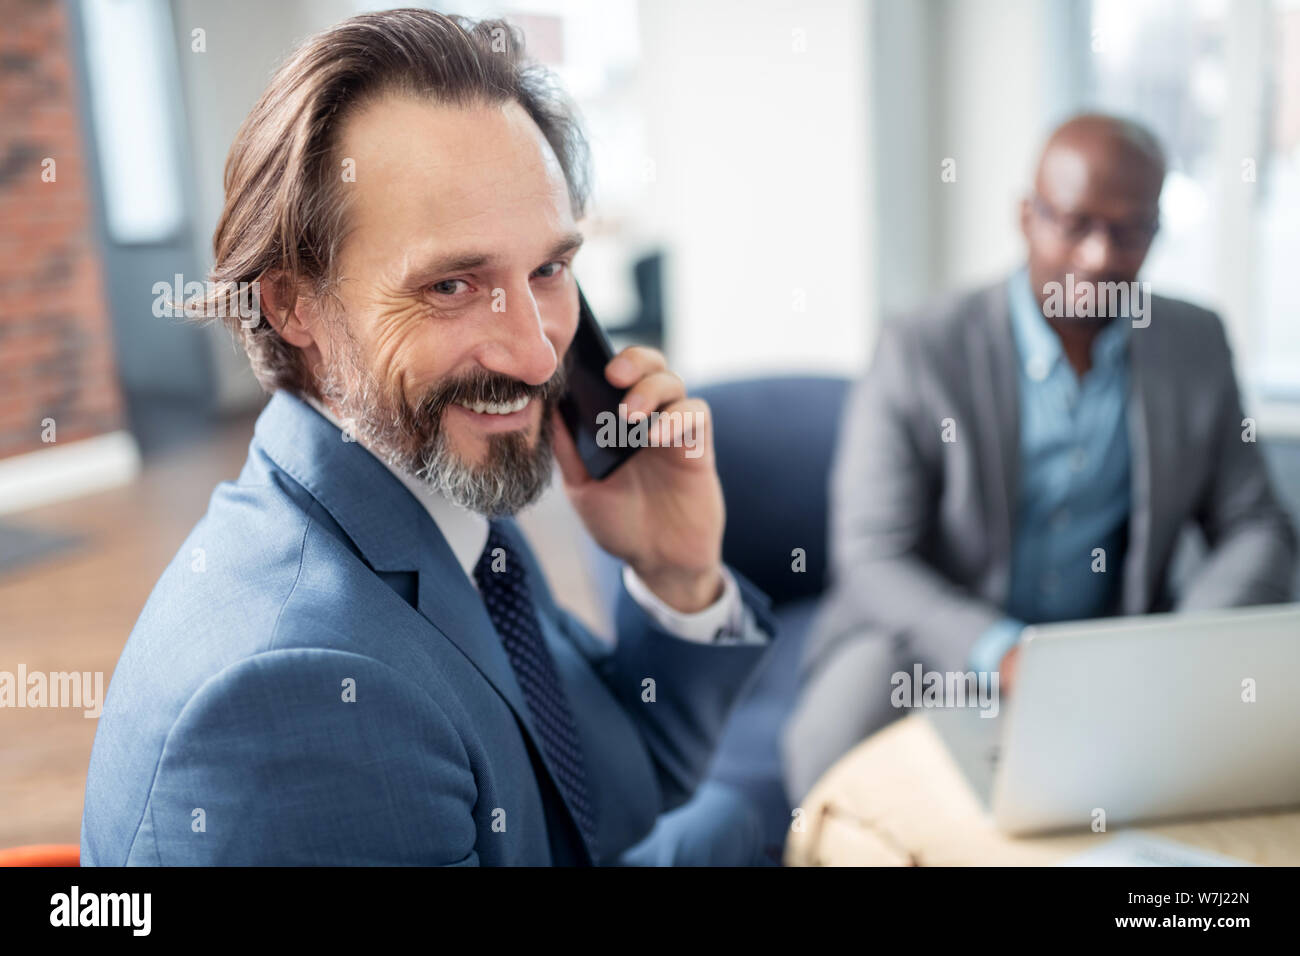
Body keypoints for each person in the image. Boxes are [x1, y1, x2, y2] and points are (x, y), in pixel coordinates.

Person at [81, 10, 774, 866]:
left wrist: (676, 573)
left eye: (549, 270)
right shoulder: (295, 699)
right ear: (294, 304)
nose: (534, 353)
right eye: (451, 284)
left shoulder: (434, 492)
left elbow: (615, 797)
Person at [782, 113, 1297, 802]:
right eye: (1074, 224)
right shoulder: (921, 348)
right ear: (1026, 216)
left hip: (1116, 648)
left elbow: (1256, 526)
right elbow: (873, 557)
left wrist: (1186, 646)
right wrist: (1005, 653)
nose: (1097, 257)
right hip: (935, 641)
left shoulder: (1194, 342)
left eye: (1128, 230)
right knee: (832, 749)